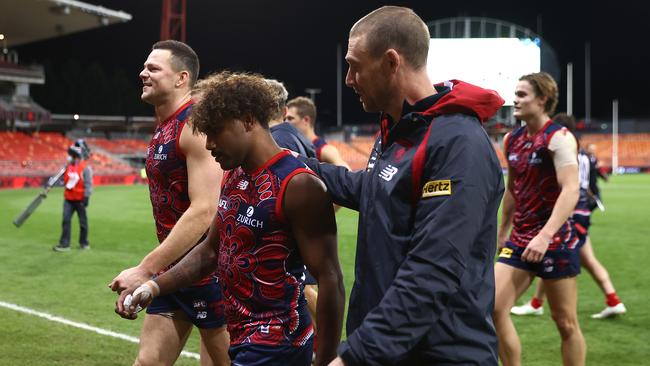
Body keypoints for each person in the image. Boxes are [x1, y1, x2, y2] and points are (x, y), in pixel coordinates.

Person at [301, 6, 505, 364]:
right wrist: (288, 164)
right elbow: (373, 190)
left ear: (391, 62)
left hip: (439, 354)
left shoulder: (458, 142)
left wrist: (355, 357)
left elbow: (433, 269)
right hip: (391, 349)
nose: (349, 78)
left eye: (355, 64)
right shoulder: (399, 128)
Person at [119, 71, 345, 366]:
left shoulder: (298, 184)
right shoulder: (235, 175)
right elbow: (210, 251)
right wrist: (154, 286)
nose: (209, 144)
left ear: (248, 120)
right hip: (239, 335)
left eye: (216, 131)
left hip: (276, 342)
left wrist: (327, 359)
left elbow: (331, 279)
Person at [108, 40, 229, 366]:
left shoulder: (194, 125)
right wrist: (153, 275)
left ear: (181, 78)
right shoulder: (165, 124)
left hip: (211, 274)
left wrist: (145, 269)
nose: (143, 73)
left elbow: (205, 209)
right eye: (145, 67)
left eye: (153, 68)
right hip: (175, 274)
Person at [495, 73, 586, 366]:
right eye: (515, 94)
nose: (515, 100)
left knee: (565, 323)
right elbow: (513, 189)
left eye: (522, 94)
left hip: (555, 241)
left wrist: (545, 235)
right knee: (493, 308)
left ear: (542, 99)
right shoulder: (512, 139)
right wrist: (503, 229)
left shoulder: (559, 138)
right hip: (520, 239)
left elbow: (571, 190)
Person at [511, 113, 626, 319]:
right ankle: (612, 300)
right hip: (582, 210)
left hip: (570, 213)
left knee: (560, 258)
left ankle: (537, 304)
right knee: (576, 260)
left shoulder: (561, 149)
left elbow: (567, 187)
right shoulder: (582, 152)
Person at [286, 96, 351, 170]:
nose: (286, 122)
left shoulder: (324, 150)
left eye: (290, 118)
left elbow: (347, 173)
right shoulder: (294, 145)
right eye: (285, 119)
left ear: (306, 120)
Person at [53, 143, 92, 251]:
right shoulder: (67, 167)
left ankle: (84, 243)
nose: (69, 157)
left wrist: (86, 197)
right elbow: (61, 180)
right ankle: (65, 244)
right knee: (66, 220)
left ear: (76, 156)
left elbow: (88, 184)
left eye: (71, 155)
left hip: (80, 200)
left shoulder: (85, 168)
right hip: (68, 199)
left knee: (83, 222)